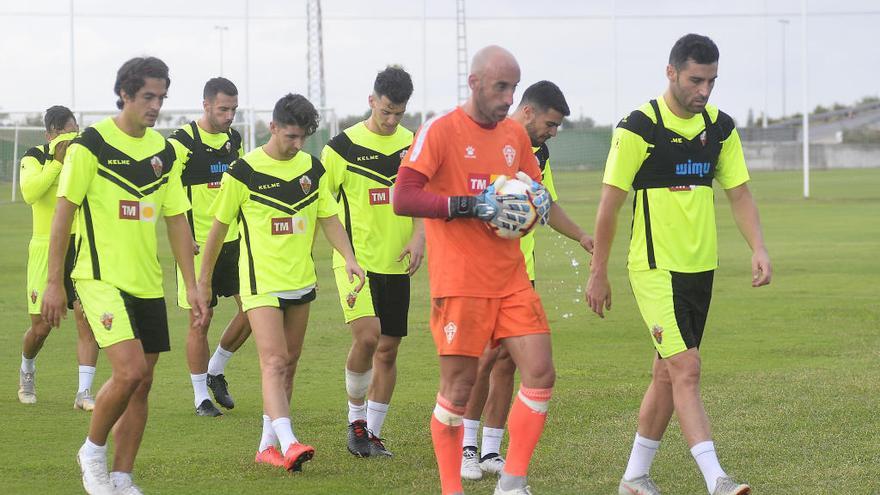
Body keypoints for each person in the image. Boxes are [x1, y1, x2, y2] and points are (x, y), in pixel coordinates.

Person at [585, 34, 771, 495]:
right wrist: (598, 271)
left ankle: (634, 477)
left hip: (700, 268)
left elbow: (740, 193)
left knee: (666, 372)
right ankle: (717, 480)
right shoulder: (638, 127)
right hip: (654, 269)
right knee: (686, 367)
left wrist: (759, 248)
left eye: (711, 81)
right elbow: (610, 204)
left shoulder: (721, 128)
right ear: (670, 73)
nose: (704, 90)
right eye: (695, 80)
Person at [42, 56, 207, 495]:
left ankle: (122, 476)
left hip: (147, 282)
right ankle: (92, 452)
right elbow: (63, 215)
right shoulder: (89, 145)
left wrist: (192, 286)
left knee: (143, 383)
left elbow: (176, 220)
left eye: (162, 97)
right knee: (130, 371)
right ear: (125, 94)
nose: (156, 105)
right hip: (98, 279)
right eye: (148, 96)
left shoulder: (165, 152)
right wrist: (55, 282)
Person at [395, 45, 555, 495]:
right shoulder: (439, 131)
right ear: (475, 83)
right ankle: (452, 489)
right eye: (501, 87)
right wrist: (468, 205)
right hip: (460, 283)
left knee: (540, 371)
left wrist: (538, 205)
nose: (508, 98)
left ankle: (513, 481)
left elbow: (531, 191)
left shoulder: (515, 137)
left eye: (514, 88)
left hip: (510, 279)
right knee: (459, 389)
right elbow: (404, 197)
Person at [198, 93, 365, 472]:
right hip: (260, 285)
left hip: (301, 282)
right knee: (272, 361)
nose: (296, 144)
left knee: (289, 364)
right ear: (272, 127)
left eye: (303, 137)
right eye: (290, 135)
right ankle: (289, 442)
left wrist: (349, 258)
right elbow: (217, 230)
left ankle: (266, 447)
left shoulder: (314, 169)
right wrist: (203, 281)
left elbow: (329, 218)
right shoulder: (243, 171)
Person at [459, 80, 594, 481]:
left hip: (521, 270)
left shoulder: (538, 153)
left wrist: (585, 236)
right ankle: (466, 446)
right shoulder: (486, 139)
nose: (553, 133)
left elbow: (544, 203)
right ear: (529, 111)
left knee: (506, 360)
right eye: (551, 124)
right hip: (480, 271)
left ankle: (490, 451)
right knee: (482, 358)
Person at [321, 65, 424, 458]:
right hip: (355, 263)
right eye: (385, 111)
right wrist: (346, 254)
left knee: (389, 349)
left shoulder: (412, 144)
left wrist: (419, 237)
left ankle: (372, 435)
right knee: (368, 337)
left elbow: (421, 195)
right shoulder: (340, 148)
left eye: (398, 113)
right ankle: (356, 422)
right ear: (371, 101)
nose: (391, 119)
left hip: (397, 263)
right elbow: (323, 205)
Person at [167, 77, 251, 417]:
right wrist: (186, 238)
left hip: (234, 243)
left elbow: (243, 189)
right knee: (201, 319)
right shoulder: (181, 143)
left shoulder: (235, 140)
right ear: (205, 106)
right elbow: (169, 197)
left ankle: (216, 369)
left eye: (233, 109)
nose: (229, 116)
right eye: (223, 109)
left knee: (255, 311)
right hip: (198, 249)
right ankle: (201, 396)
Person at [18, 105, 99, 411]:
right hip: (44, 247)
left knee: (86, 318)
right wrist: (55, 162)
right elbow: (30, 193)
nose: (70, 137)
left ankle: (84, 391)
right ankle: (27, 368)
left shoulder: (83, 157)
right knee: (41, 327)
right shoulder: (34, 157)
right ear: (50, 134)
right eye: (65, 132)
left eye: (74, 130)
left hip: (80, 245)